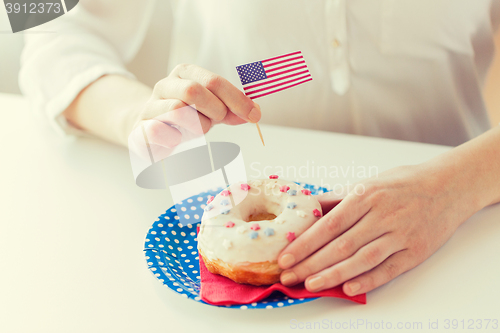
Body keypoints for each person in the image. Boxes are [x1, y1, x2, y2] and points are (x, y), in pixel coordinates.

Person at [19, 0, 500, 296]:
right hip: (211, 230)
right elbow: (43, 27)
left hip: (468, 230)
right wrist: (136, 115)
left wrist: (456, 186)